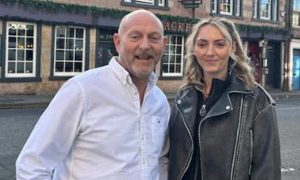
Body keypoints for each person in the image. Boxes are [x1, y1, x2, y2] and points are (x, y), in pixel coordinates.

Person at [16, 9, 170, 180]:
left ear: (163, 44)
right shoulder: (82, 90)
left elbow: (160, 161)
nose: (145, 45)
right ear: (118, 42)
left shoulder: (160, 101)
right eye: (135, 36)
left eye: (154, 38)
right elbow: (32, 165)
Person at [167, 17, 281, 180]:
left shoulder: (257, 101)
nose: (210, 52)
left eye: (219, 44)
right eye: (202, 44)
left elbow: (267, 171)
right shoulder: (183, 97)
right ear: (194, 48)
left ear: (232, 47)